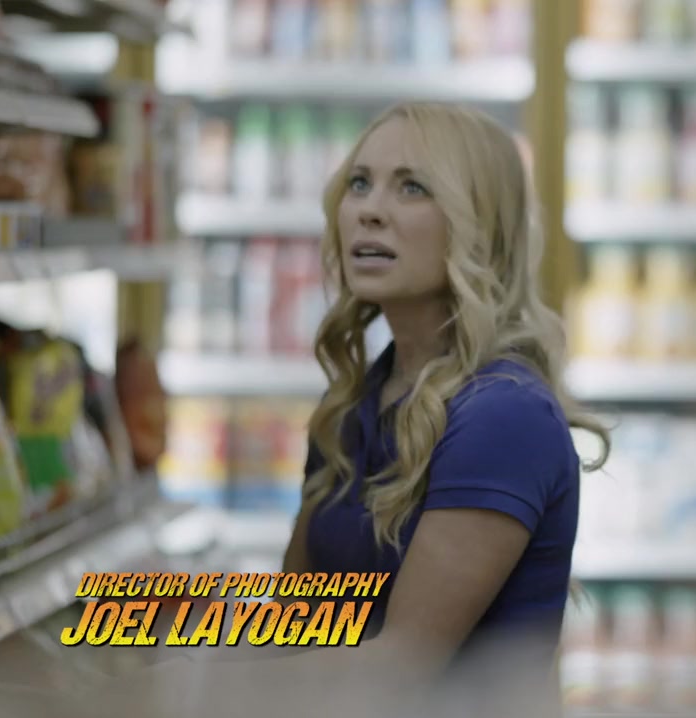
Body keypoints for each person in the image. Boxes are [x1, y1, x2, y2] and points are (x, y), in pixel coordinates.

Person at [98, 102, 608, 718]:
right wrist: (141, 640)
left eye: (412, 187)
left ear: (479, 224)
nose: (369, 209)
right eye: (359, 183)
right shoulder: (355, 402)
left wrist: (169, 687)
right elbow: (298, 623)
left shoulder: (504, 414)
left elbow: (398, 669)